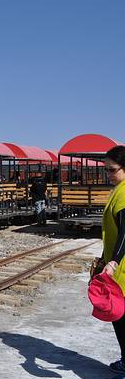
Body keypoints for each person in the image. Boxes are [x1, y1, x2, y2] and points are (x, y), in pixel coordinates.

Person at [99, 145, 125, 373]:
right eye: (105, 169)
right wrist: (103, 258)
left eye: (112, 169)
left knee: (120, 316)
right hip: (117, 264)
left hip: (122, 269)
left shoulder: (124, 193)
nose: (108, 174)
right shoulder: (119, 189)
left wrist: (113, 261)